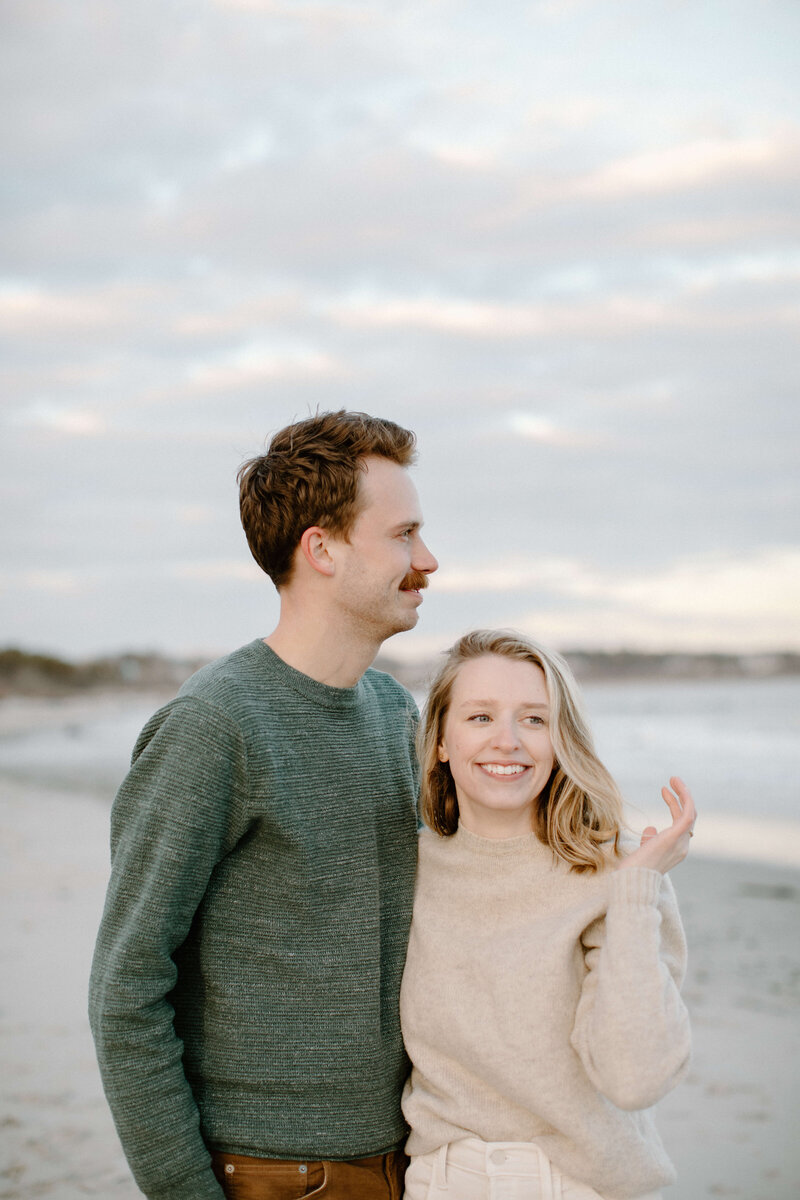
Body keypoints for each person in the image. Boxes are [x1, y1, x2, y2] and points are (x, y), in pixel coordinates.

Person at [89, 410, 438, 1200]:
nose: (429, 560)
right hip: (277, 1176)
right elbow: (126, 986)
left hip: (407, 1160)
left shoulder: (392, 713)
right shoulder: (217, 727)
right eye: (404, 535)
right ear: (321, 548)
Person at [400, 630, 694, 1200]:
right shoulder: (407, 871)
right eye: (481, 718)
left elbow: (635, 1078)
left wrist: (636, 889)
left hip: (580, 1184)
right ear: (439, 740)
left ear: (561, 739)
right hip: (442, 1183)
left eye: (534, 720)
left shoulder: (620, 871)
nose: (507, 741)